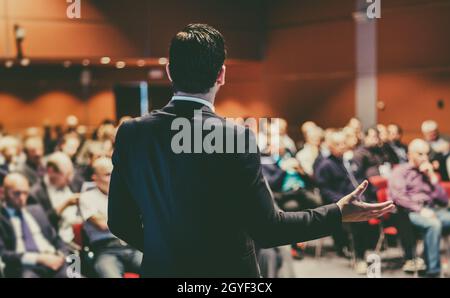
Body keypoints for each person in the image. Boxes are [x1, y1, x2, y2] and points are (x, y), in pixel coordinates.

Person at [107, 23, 394, 278]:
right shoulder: (236, 137)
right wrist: (337, 213)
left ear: (169, 71)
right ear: (221, 74)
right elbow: (268, 229)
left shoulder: (132, 133)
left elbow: (119, 221)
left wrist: (164, 251)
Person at [315, 130, 379, 274]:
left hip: (359, 200)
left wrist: (371, 196)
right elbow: (324, 190)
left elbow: (362, 180)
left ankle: (365, 252)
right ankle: (360, 258)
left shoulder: (349, 162)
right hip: (339, 204)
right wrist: (342, 201)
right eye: (338, 144)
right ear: (330, 146)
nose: (343, 146)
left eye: (344, 143)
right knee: (359, 220)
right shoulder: (326, 165)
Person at [389, 139, 450, 277]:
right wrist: (421, 210)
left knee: (438, 220)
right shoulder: (400, 171)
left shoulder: (426, 172)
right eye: (420, 154)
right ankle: (433, 272)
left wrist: (432, 177)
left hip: (433, 209)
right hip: (410, 212)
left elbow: (444, 199)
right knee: (434, 225)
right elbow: (399, 197)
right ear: (410, 154)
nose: (425, 158)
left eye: (427, 154)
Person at [79, 157, 142, 278]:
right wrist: (129, 217)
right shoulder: (87, 197)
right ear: (94, 177)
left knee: (160, 267)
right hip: (106, 250)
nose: (113, 178)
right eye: (107, 174)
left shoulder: (125, 193)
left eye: (114, 173)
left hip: (133, 246)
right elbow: (103, 224)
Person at [0, 173, 71, 278]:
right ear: (3, 192)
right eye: (16, 193)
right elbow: (4, 254)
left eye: (25, 193)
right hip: (25, 267)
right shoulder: (2, 218)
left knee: (74, 272)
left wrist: (63, 255)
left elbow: (56, 239)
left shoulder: (36, 210)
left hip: (55, 261)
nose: (22, 198)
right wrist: (39, 258)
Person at [29, 152, 81, 244]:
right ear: (50, 171)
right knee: (74, 258)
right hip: (55, 242)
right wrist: (65, 205)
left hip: (78, 237)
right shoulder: (35, 194)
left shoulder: (73, 184)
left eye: (71, 174)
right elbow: (41, 225)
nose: (70, 179)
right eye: (66, 175)